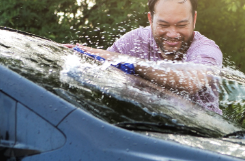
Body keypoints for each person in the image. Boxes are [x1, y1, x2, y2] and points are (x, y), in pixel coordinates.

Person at [64, 0, 224, 114]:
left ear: (194, 19)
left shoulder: (206, 50)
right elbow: (101, 69)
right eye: (163, 25)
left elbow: (191, 81)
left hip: (200, 138)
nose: (173, 34)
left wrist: (132, 64)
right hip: (140, 130)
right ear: (150, 19)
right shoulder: (134, 41)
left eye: (182, 25)